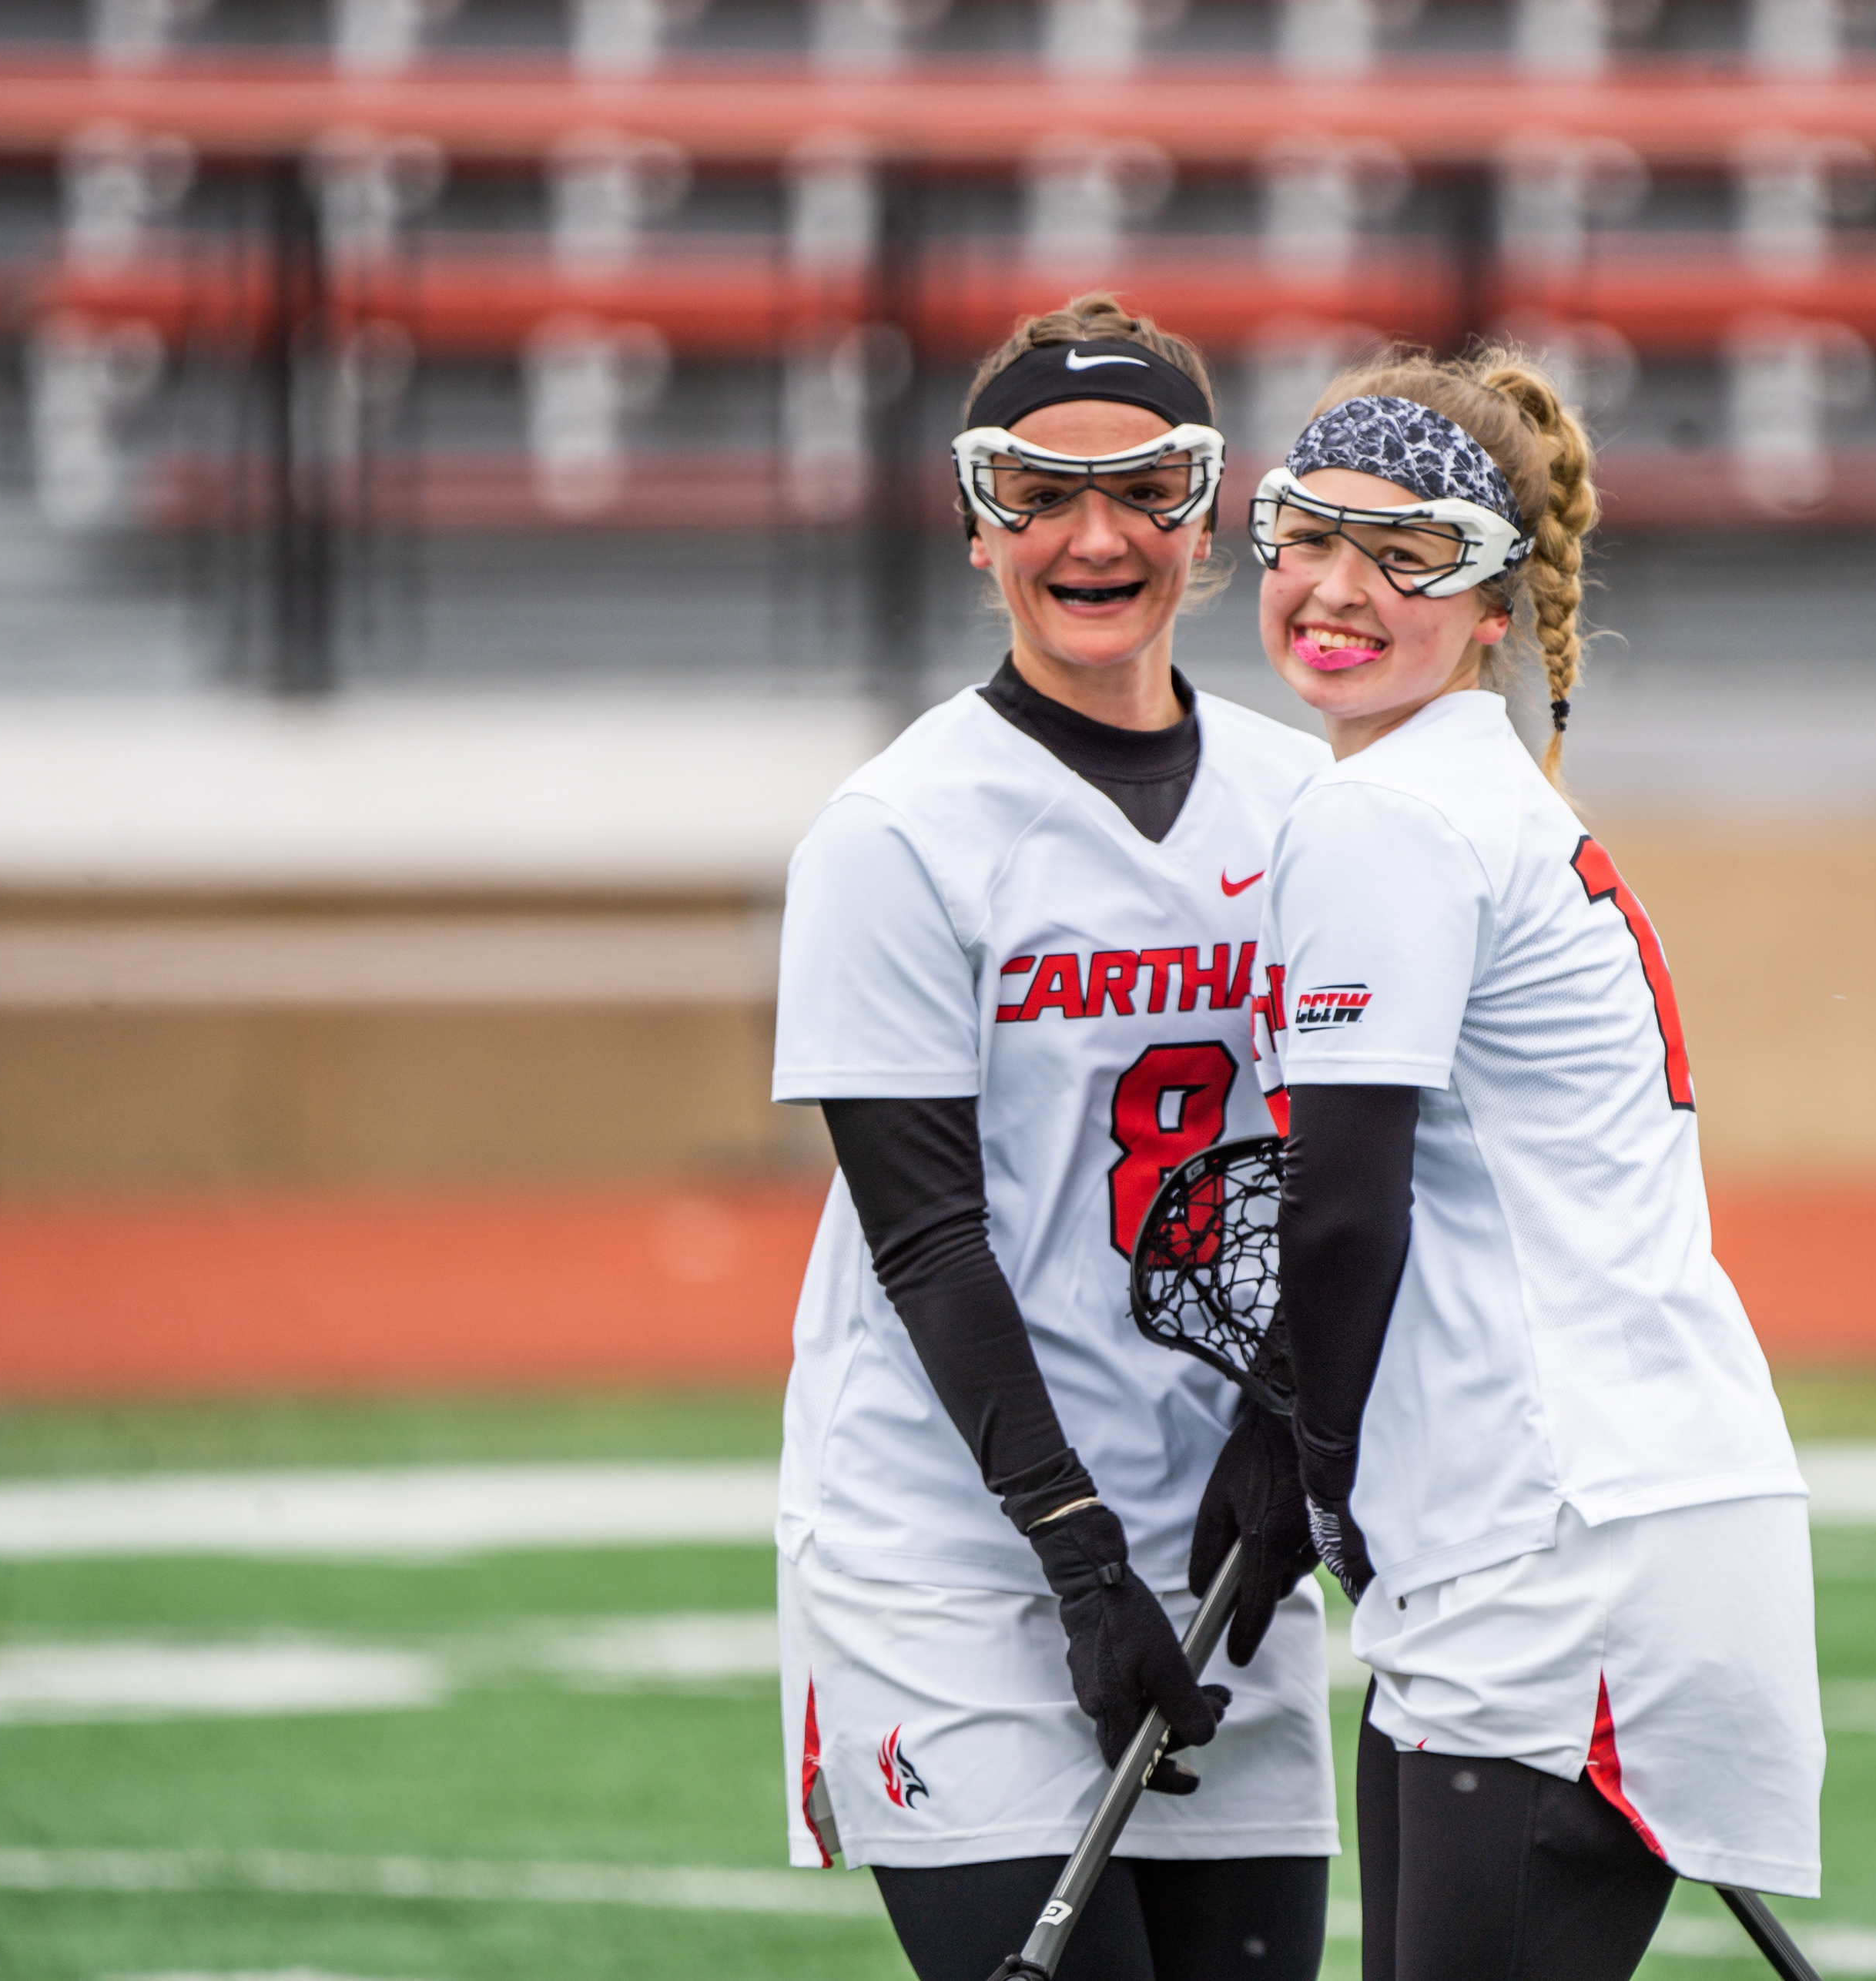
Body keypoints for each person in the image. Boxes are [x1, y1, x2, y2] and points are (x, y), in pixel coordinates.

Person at [768, 293, 1338, 1981]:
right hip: (961, 1551)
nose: (1097, 539)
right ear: (977, 522)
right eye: (1041, 494)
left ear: (1207, 514)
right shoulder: (898, 830)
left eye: (1146, 490)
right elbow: (925, 1237)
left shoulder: (1310, 801)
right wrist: (1077, 1555)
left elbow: (1356, 1168)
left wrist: (1291, 1426)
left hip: (1225, 1540)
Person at [1245, 350, 1826, 1981]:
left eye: (1407, 552)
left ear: (1494, 601)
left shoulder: (1390, 816)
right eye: (1308, 533)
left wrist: (1303, 1461)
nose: (1338, 588)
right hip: (1574, 1520)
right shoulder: (1460, 795)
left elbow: (1345, 1206)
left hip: (1556, 1539)